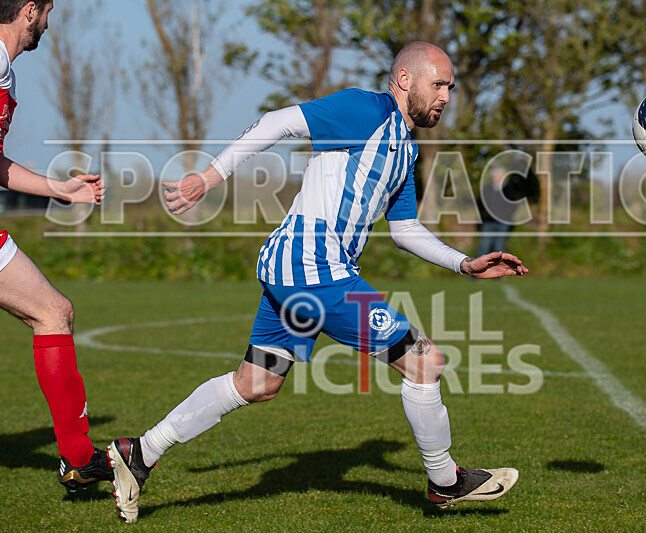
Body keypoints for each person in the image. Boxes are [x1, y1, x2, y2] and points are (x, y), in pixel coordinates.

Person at [108, 41, 528, 523]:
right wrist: (211, 174)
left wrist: (463, 263)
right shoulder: (365, 110)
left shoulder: (406, 150)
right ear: (406, 80)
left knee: (256, 383)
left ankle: (139, 452)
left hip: (294, 270)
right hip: (313, 268)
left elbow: (405, 229)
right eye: (439, 84)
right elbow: (277, 122)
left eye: (450, 87)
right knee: (424, 362)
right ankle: (445, 481)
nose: (446, 97)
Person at [0, 0, 110, 493]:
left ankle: (78, 458)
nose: (48, 22)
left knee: (54, 311)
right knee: (53, 312)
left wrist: (58, 188)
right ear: (29, 11)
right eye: (47, 11)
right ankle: (79, 459)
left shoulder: (6, 73)